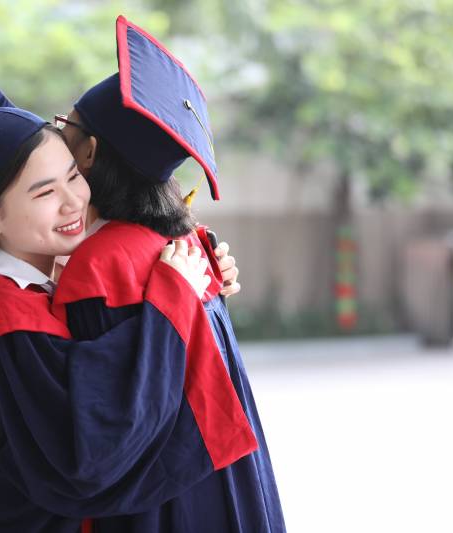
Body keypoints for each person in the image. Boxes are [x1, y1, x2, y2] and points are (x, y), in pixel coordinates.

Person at [0, 60, 258, 533]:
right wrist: (174, 299)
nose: (74, 201)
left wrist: (204, 285)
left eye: (73, 176)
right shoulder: (5, 318)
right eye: (44, 193)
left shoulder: (45, 281)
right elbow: (89, 452)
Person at [51, 15, 286, 532]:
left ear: (89, 152)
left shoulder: (101, 265)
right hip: (229, 481)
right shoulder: (187, 244)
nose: (56, 136)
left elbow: (104, 421)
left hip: (164, 498)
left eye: (64, 126)